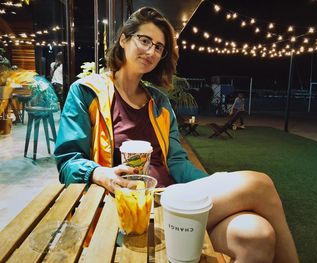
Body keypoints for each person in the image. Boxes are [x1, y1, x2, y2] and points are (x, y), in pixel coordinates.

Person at [54, 7, 298, 263]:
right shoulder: (86, 93)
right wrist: (101, 174)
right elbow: (67, 162)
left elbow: (177, 163)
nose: (151, 51)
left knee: (257, 233)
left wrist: (212, 183)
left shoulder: (159, 103)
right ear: (124, 39)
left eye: (159, 47)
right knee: (260, 184)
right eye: (145, 40)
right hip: (122, 208)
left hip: (171, 199)